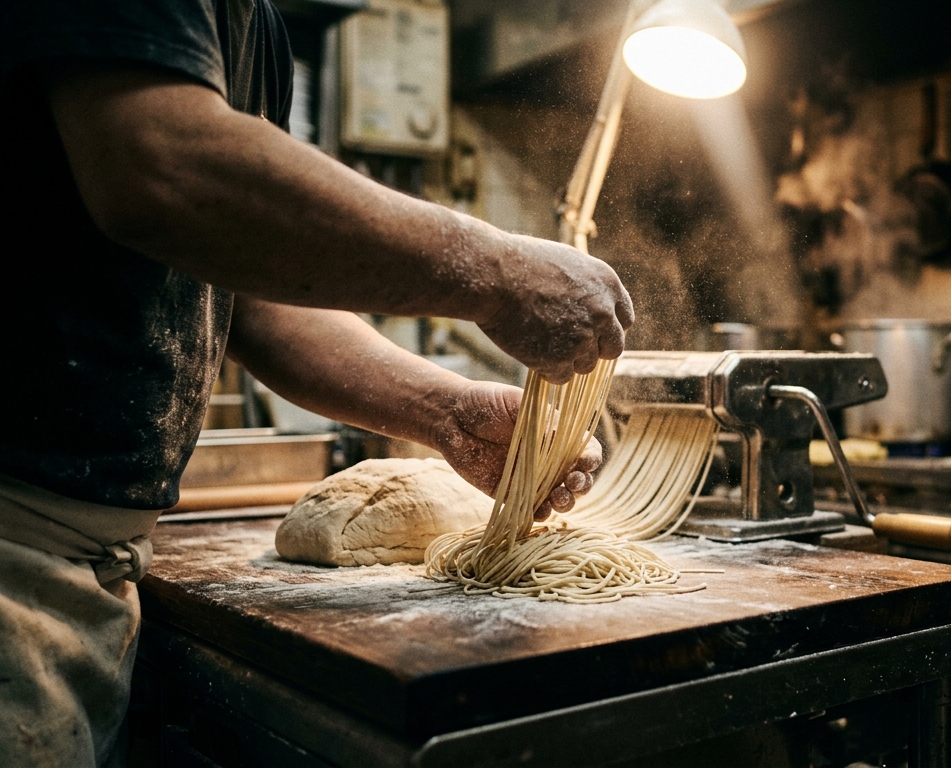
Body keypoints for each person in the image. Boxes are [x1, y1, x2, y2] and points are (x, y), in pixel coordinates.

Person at [0, 0, 634, 765]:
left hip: (90, 568)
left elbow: (249, 296)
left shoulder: (252, 25)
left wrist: (449, 411)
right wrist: (495, 273)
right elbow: (163, 167)